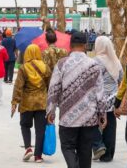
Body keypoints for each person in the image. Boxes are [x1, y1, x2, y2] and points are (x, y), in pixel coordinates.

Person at [46, 31, 108, 168]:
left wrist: (50, 110)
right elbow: (100, 92)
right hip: (88, 118)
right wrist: (102, 113)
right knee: (85, 151)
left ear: (70, 45)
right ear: (85, 45)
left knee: (67, 147)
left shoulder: (62, 64)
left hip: (68, 118)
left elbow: (54, 88)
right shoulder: (94, 65)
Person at [11, 44, 51, 163]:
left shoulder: (24, 68)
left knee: (25, 125)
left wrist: (14, 102)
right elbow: (50, 87)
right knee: (40, 129)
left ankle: (28, 148)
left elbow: (18, 86)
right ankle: (38, 156)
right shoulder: (45, 67)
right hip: (41, 103)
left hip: (26, 103)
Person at [92, 36, 123, 162]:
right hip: (113, 99)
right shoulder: (116, 61)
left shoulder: (95, 61)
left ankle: (99, 146)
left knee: (93, 123)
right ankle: (108, 154)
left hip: (98, 98)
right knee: (111, 125)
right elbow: (121, 80)